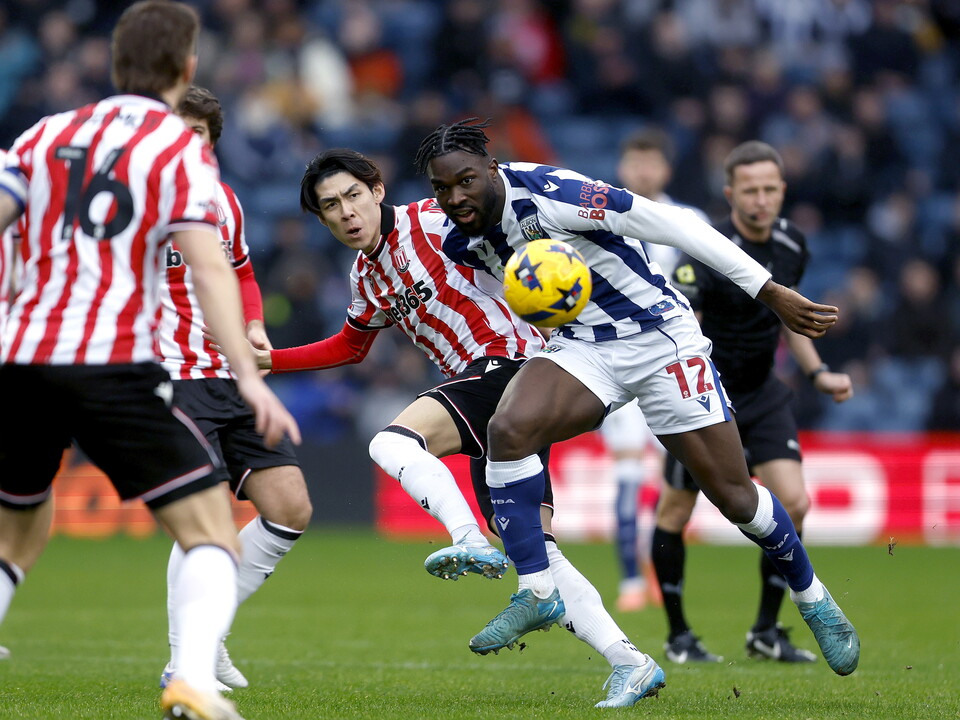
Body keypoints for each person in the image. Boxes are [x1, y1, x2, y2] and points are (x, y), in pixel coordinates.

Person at [417, 118, 860, 680]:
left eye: (467, 182)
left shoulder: (557, 195)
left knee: (735, 498)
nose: (456, 197)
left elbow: (672, 224)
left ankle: (812, 595)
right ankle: (536, 588)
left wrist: (767, 291)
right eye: (443, 189)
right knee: (508, 429)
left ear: (492, 168)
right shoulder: (465, 238)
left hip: (659, 340)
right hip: (585, 349)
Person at [251, 147, 663, 708]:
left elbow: (513, 219)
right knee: (534, 553)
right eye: (330, 206)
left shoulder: (437, 217)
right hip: (489, 401)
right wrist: (271, 361)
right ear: (321, 220)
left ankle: (465, 537)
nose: (347, 212)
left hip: (513, 367)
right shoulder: (367, 276)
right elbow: (350, 346)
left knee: (392, 440)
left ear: (376, 190)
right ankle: (631, 663)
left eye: (352, 196)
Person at [0, 4, 299, 720]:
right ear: (188, 68)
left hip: (19, 358)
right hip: (111, 360)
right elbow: (209, 268)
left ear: (114, 63)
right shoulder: (177, 151)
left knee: (17, 532)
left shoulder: (47, 134)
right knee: (211, 532)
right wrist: (250, 375)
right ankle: (192, 678)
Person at [654, 140, 854, 665]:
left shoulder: (792, 244)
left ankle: (766, 630)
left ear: (782, 191)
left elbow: (792, 321)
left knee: (796, 501)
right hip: (706, 396)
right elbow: (682, 325)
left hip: (764, 393)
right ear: (730, 193)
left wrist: (819, 373)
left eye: (770, 189)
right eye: (750, 191)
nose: (761, 200)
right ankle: (678, 636)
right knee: (675, 509)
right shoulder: (707, 248)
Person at [157, 86, 313, 692]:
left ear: (211, 142)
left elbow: (242, 270)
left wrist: (253, 323)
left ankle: (210, 634)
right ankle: (185, 660)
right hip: (173, 378)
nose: (185, 142)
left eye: (196, 133)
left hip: (233, 378)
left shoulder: (224, 201)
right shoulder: (138, 206)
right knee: (207, 521)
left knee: (291, 507)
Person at [604, 128, 709, 613]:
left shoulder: (688, 221)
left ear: (665, 169)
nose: (643, 171)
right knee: (627, 474)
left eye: (652, 162)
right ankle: (630, 578)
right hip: (619, 364)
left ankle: (658, 571)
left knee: (676, 479)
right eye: (635, 162)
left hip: (675, 365)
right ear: (623, 167)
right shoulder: (597, 215)